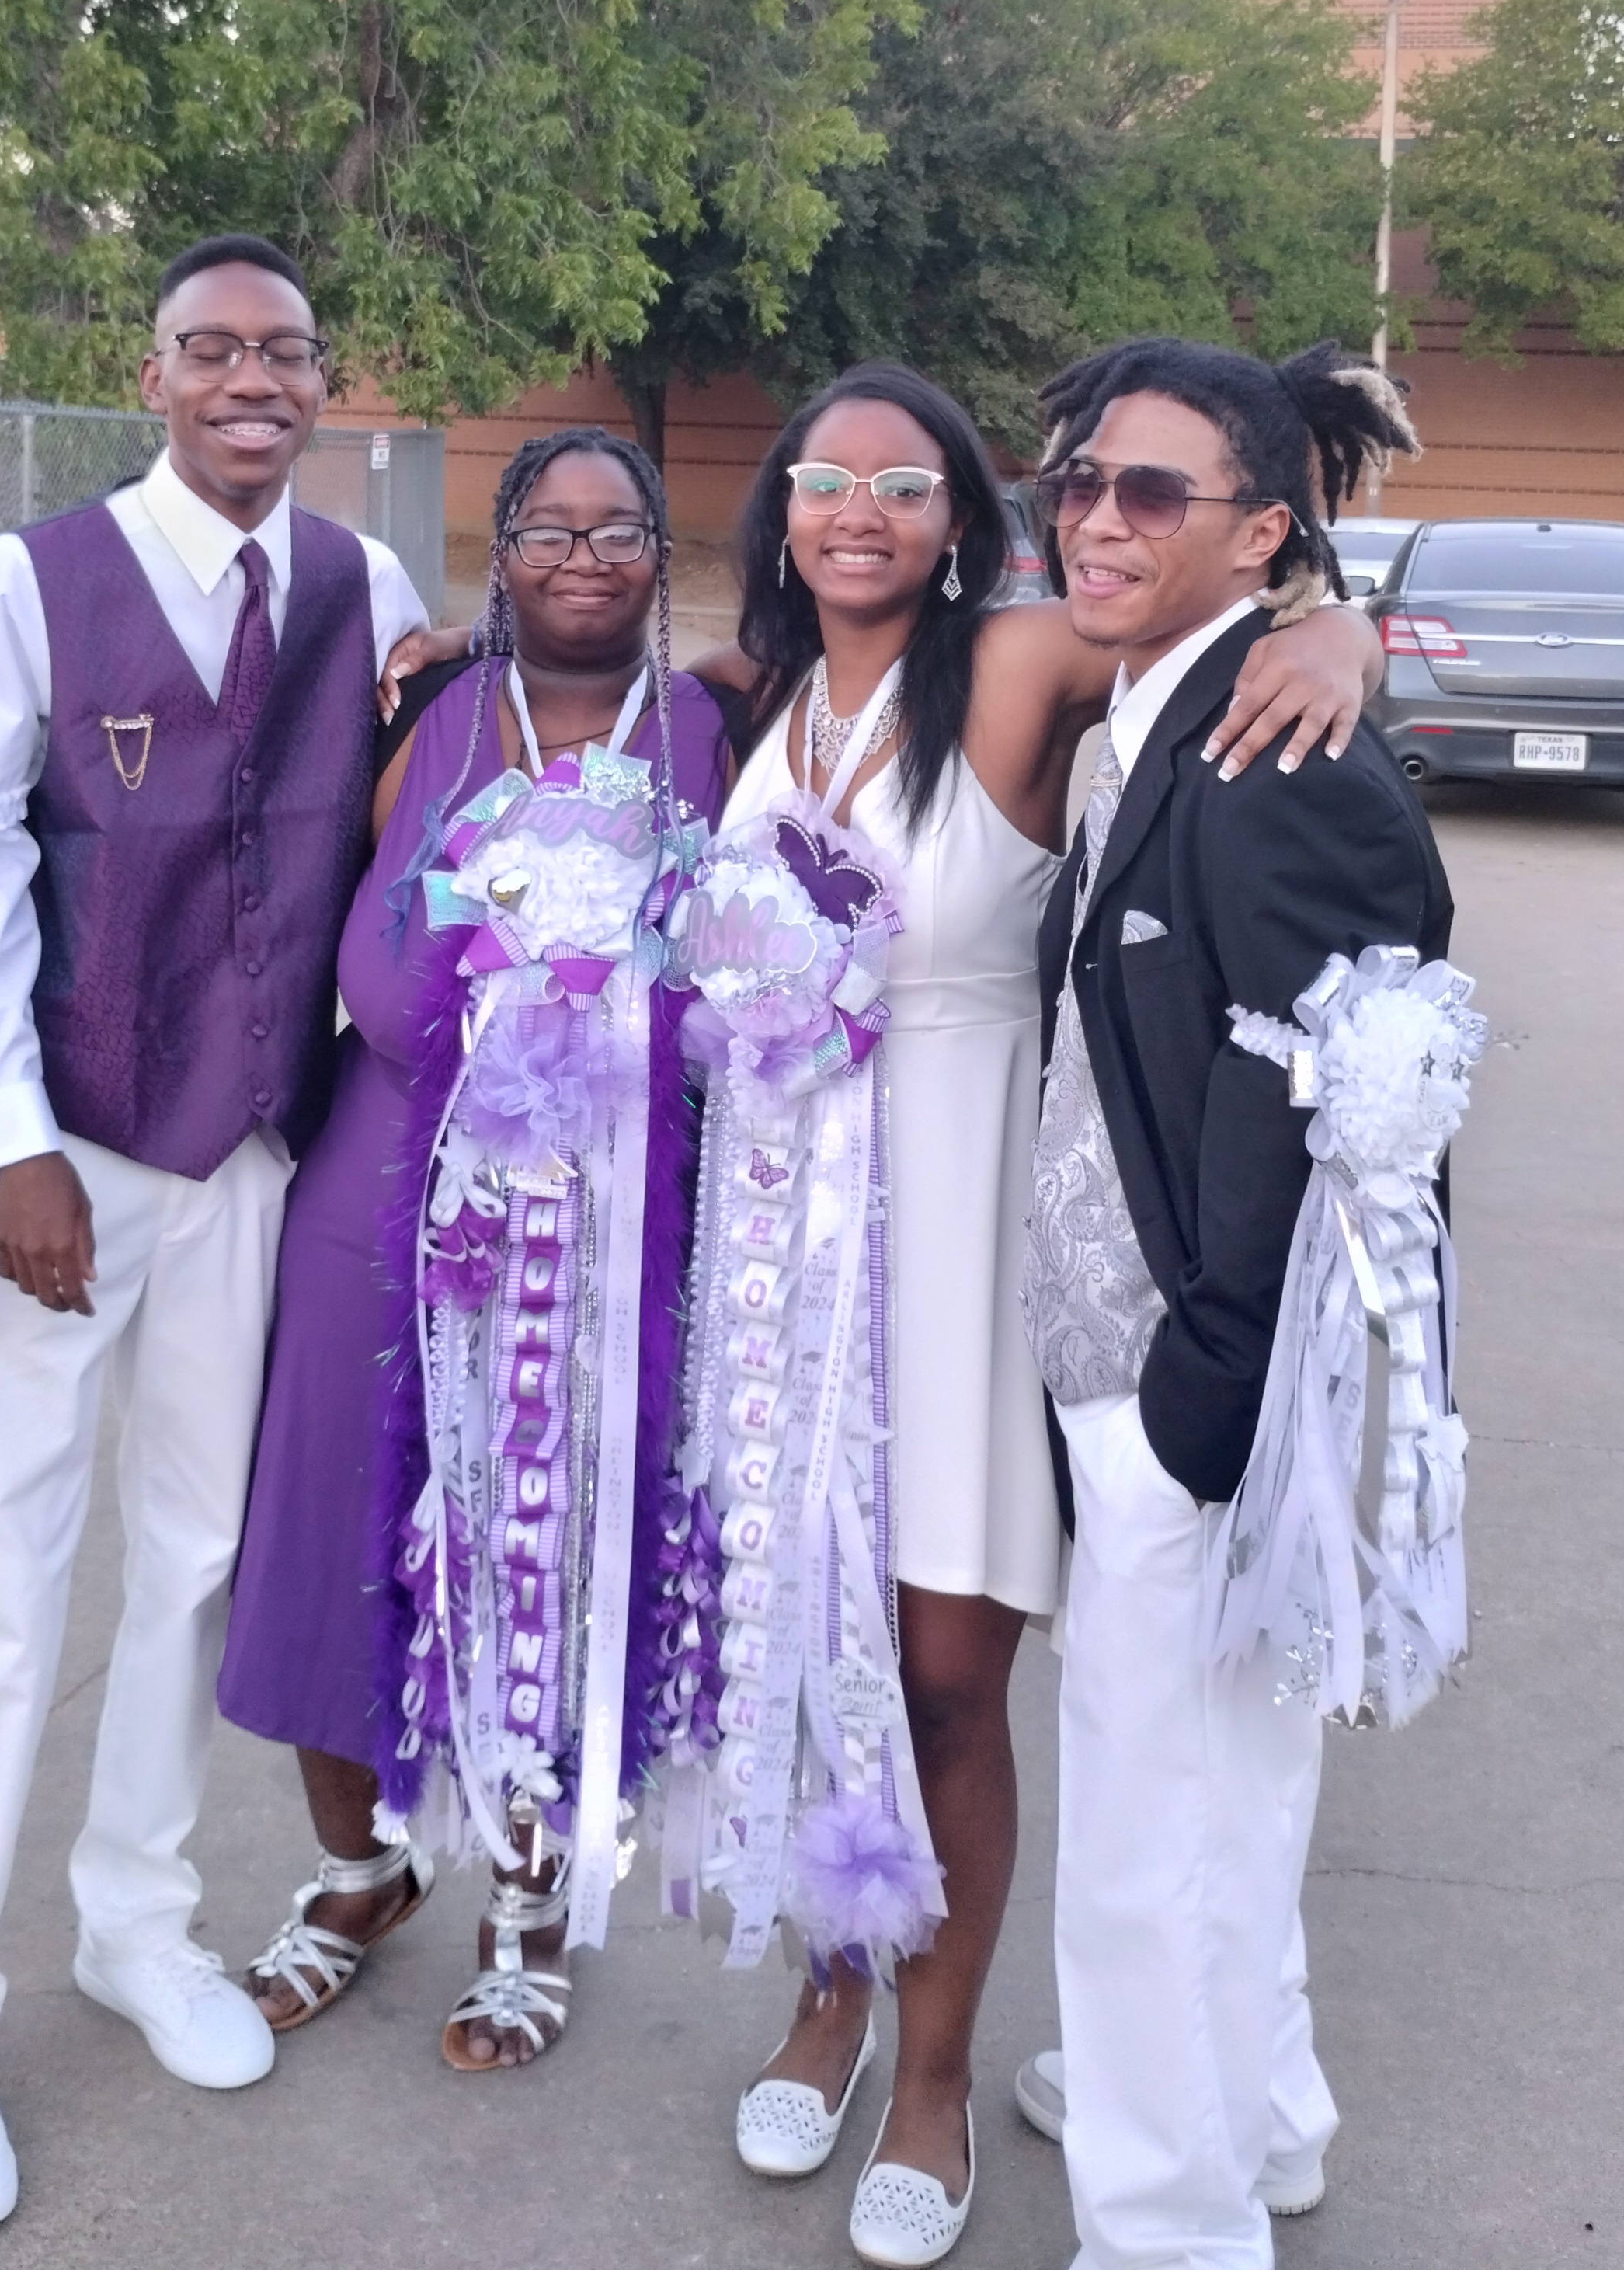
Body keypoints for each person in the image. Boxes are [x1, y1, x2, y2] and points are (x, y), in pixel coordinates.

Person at [670, 364, 1382, 2270]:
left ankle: (935, 2069)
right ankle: (829, 1995)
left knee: (946, 1673)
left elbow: (1221, 615)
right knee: (810, 1643)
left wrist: (1346, 626)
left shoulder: (1012, 663)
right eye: (823, 478)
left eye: (906, 482)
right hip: (780, 1258)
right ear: (782, 513)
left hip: (969, 1225)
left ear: (957, 515)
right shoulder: (750, 706)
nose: (859, 510)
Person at [0, 236, 426, 2237]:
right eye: (214, 349)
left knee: (191, 1557)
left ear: (320, 376)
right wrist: (9, 1145)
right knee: (1, 1583)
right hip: (72, 1156)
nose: (252, 379)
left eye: (286, 349)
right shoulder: (33, 581)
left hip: (249, 1156)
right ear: (155, 373)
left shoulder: (367, 588)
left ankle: (136, 1914)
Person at [221, 427, 742, 2069]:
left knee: (546, 1538)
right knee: (324, 1520)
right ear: (498, 553)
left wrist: (1321, 611)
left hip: (606, 1207)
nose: (584, 556)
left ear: (664, 560)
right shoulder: (429, 709)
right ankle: (357, 1868)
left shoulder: (719, 726)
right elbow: (337, 915)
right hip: (387, 1180)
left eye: (621, 530)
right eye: (546, 529)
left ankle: (526, 1910)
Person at [1020, 336, 1453, 2270]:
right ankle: (1248, 2116)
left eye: (1154, 494)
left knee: (1148, 1835)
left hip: (1195, 1393)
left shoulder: (1283, 762)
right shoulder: (1155, 714)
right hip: (1135, 1377)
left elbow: (1347, 1120)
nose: (1100, 519)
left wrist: (1199, 1406)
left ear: (1264, 533)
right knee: (1221, 1801)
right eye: (1085, 482)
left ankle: (1168, 2220)